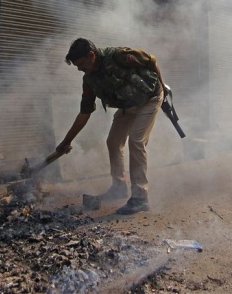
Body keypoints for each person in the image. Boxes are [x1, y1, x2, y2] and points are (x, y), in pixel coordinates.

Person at [56, 38, 165, 214]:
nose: (79, 69)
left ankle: (140, 197)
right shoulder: (89, 80)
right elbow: (85, 113)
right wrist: (66, 141)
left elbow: (151, 60)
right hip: (127, 105)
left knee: (136, 141)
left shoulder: (119, 56)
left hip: (149, 99)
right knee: (113, 142)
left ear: (91, 55)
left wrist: (164, 90)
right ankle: (119, 186)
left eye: (81, 65)